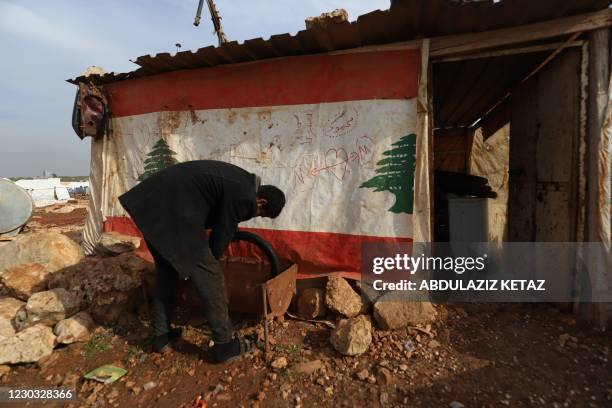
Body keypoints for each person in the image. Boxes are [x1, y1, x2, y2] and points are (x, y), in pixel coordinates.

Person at [118, 160, 285, 363]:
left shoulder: (239, 181)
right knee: (211, 277)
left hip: (151, 208)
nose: (254, 215)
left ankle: (160, 336)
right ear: (262, 203)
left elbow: (221, 219)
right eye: (260, 214)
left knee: (167, 272)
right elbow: (219, 238)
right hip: (173, 214)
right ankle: (224, 345)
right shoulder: (244, 194)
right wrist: (208, 266)